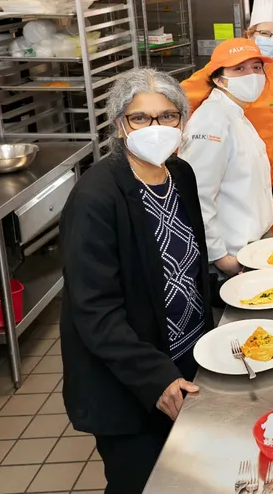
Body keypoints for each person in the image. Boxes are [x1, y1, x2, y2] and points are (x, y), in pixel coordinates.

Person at [60, 68, 214, 494]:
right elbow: (94, 309)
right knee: (143, 483)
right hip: (130, 378)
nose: (156, 128)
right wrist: (155, 377)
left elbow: (187, 261)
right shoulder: (96, 196)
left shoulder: (179, 173)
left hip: (186, 357)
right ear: (118, 125)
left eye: (168, 116)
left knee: (190, 477)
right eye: (140, 118)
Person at [182, 0, 273, 187]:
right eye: (264, 34)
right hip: (228, 176)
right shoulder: (223, 67)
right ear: (249, 35)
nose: (271, 39)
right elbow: (177, 105)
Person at [181, 38, 273, 277]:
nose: (251, 75)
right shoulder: (212, 121)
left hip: (254, 249)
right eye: (239, 69)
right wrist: (221, 258)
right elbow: (197, 195)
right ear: (219, 78)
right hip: (232, 259)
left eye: (256, 67)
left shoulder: (235, 114)